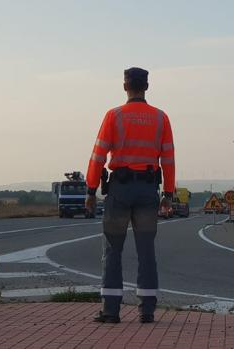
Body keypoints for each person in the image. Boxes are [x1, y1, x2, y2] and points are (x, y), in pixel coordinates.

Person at [85, 67, 175, 324]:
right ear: (146, 87)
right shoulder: (161, 118)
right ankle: (147, 310)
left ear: (125, 86)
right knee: (146, 250)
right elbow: (168, 158)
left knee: (113, 249)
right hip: (148, 191)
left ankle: (110, 311)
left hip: (120, 191)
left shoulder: (114, 116)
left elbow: (98, 155)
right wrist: (168, 193)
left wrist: (91, 190)